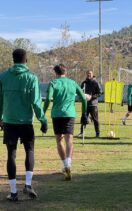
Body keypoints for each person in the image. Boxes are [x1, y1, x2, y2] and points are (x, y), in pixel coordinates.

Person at [0, 49, 48, 201]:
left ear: (13, 59)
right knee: (30, 151)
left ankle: (13, 193)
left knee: (11, 155)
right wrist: (43, 120)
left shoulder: (3, 76)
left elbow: (0, 100)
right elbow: (35, 101)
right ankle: (27, 185)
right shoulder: (31, 77)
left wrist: (0, 118)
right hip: (26, 122)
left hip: (9, 122)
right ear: (26, 60)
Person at [43, 64, 87, 181]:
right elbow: (83, 98)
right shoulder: (73, 83)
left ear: (55, 73)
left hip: (57, 114)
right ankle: (68, 164)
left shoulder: (53, 83)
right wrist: (84, 114)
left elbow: (48, 99)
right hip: (70, 114)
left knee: (59, 140)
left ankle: (64, 164)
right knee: (69, 141)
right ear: (65, 71)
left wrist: (43, 112)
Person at [78, 70, 101, 138]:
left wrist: (91, 97)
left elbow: (99, 93)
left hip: (93, 104)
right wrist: (82, 96)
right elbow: (80, 92)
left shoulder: (96, 82)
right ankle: (81, 133)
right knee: (83, 119)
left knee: (95, 120)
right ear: (86, 74)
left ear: (92, 74)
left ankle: (97, 133)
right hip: (85, 104)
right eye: (88, 73)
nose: (89, 75)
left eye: (90, 74)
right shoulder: (84, 83)